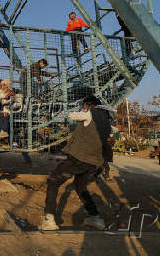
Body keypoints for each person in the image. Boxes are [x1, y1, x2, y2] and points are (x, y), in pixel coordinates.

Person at [39, 95, 116, 231]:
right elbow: (113, 133)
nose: (82, 108)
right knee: (80, 187)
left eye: (84, 105)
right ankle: (95, 218)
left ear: (89, 106)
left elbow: (71, 115)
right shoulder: (106, 123)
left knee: (53, 181)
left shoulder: (89, 114)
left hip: (78, 159)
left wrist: (60, 109)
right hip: (93, 163)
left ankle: (49, 219)